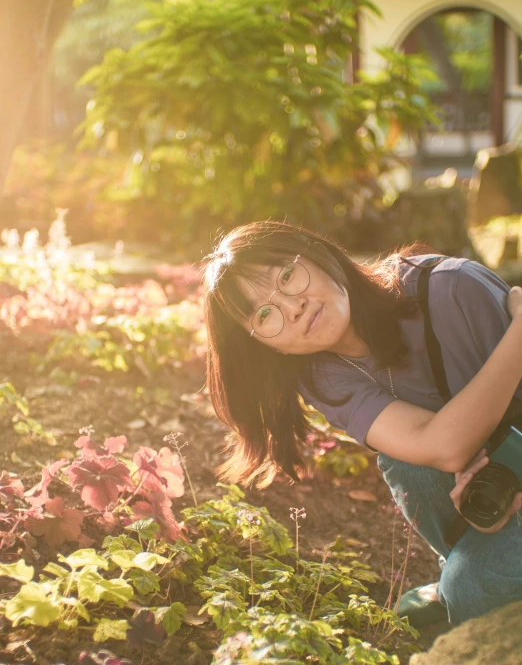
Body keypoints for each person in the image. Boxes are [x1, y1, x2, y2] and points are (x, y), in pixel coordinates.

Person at [202, 220, 522, 627]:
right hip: (502, 481)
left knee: (469, 590)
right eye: (266, 315)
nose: (293, 307)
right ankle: (469, 562)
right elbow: (443, 447)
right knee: (406, 462)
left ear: (315, 252)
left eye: (287, 276)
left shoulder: (451, 288)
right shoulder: (322, 373)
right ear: (264, 346)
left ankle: (464, 582)